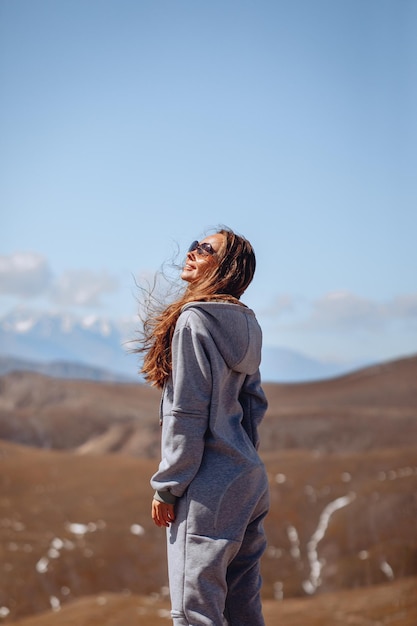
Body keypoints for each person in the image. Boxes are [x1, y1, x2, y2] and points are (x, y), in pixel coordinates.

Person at [137, 227, 269, 626]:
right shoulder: (247, 324)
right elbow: (254, 404)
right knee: (242, 608)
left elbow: (186, 412)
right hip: (247, 478)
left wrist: (169, 485)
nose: (192, 251)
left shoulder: (194, 320)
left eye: (205, 249)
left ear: (224, 266)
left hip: (208, 487)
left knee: (194, 613)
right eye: (195, 244)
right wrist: (240, 456)